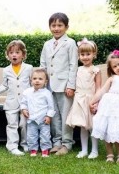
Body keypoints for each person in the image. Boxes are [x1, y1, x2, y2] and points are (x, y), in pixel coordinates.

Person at [40, 12, 78, 155]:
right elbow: (43, 63)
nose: (56, 28)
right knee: (53, 114)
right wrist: (43, 82)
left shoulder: (70, 43)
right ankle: (56, 142)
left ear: (66, 27)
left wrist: (71, 85)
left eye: (60, 25)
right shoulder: (47, 44)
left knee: (65, 114)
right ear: (50, 27)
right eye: (53, 25)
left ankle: (67, 143)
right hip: (49, 86)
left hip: (64, 86)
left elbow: (73, 65)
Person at [0, 40, 33, 155]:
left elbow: (32, 84)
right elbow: (5, 85)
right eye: (11, 53)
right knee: (12, 124)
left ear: (23, 55)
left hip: (25, 102)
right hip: (11, 102)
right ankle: (12, 146)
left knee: (24, 124)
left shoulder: (28, 68)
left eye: (17, 52)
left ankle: (25, 144)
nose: (14, 55)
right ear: (8, 55)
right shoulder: (6, 70)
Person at [66, 38, 101, 159]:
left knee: (92, 126)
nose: (85, 57)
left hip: (91, 99)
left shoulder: (95, 70)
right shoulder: (78, 69)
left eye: (88, 54)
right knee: (82, 126)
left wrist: (95, 102)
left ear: (94, 54)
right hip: (79, 99)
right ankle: (84, 149)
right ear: (79, 56)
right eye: (82, 54)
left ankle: (95, 150)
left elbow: (98, 88)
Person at [20, 68, 55, 157]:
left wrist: (48, 116)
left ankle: (45, 150)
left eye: (40, 79)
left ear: (45, 81)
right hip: (31, 119)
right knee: (31, 136)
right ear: (31, 80)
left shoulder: (47, 93)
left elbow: (51, 107)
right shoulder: (27, 92)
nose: (37, 81)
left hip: (43, 119)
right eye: (34, 79)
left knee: (45, 135)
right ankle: (33, 149)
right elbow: (23, 103)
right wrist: (24, 109)